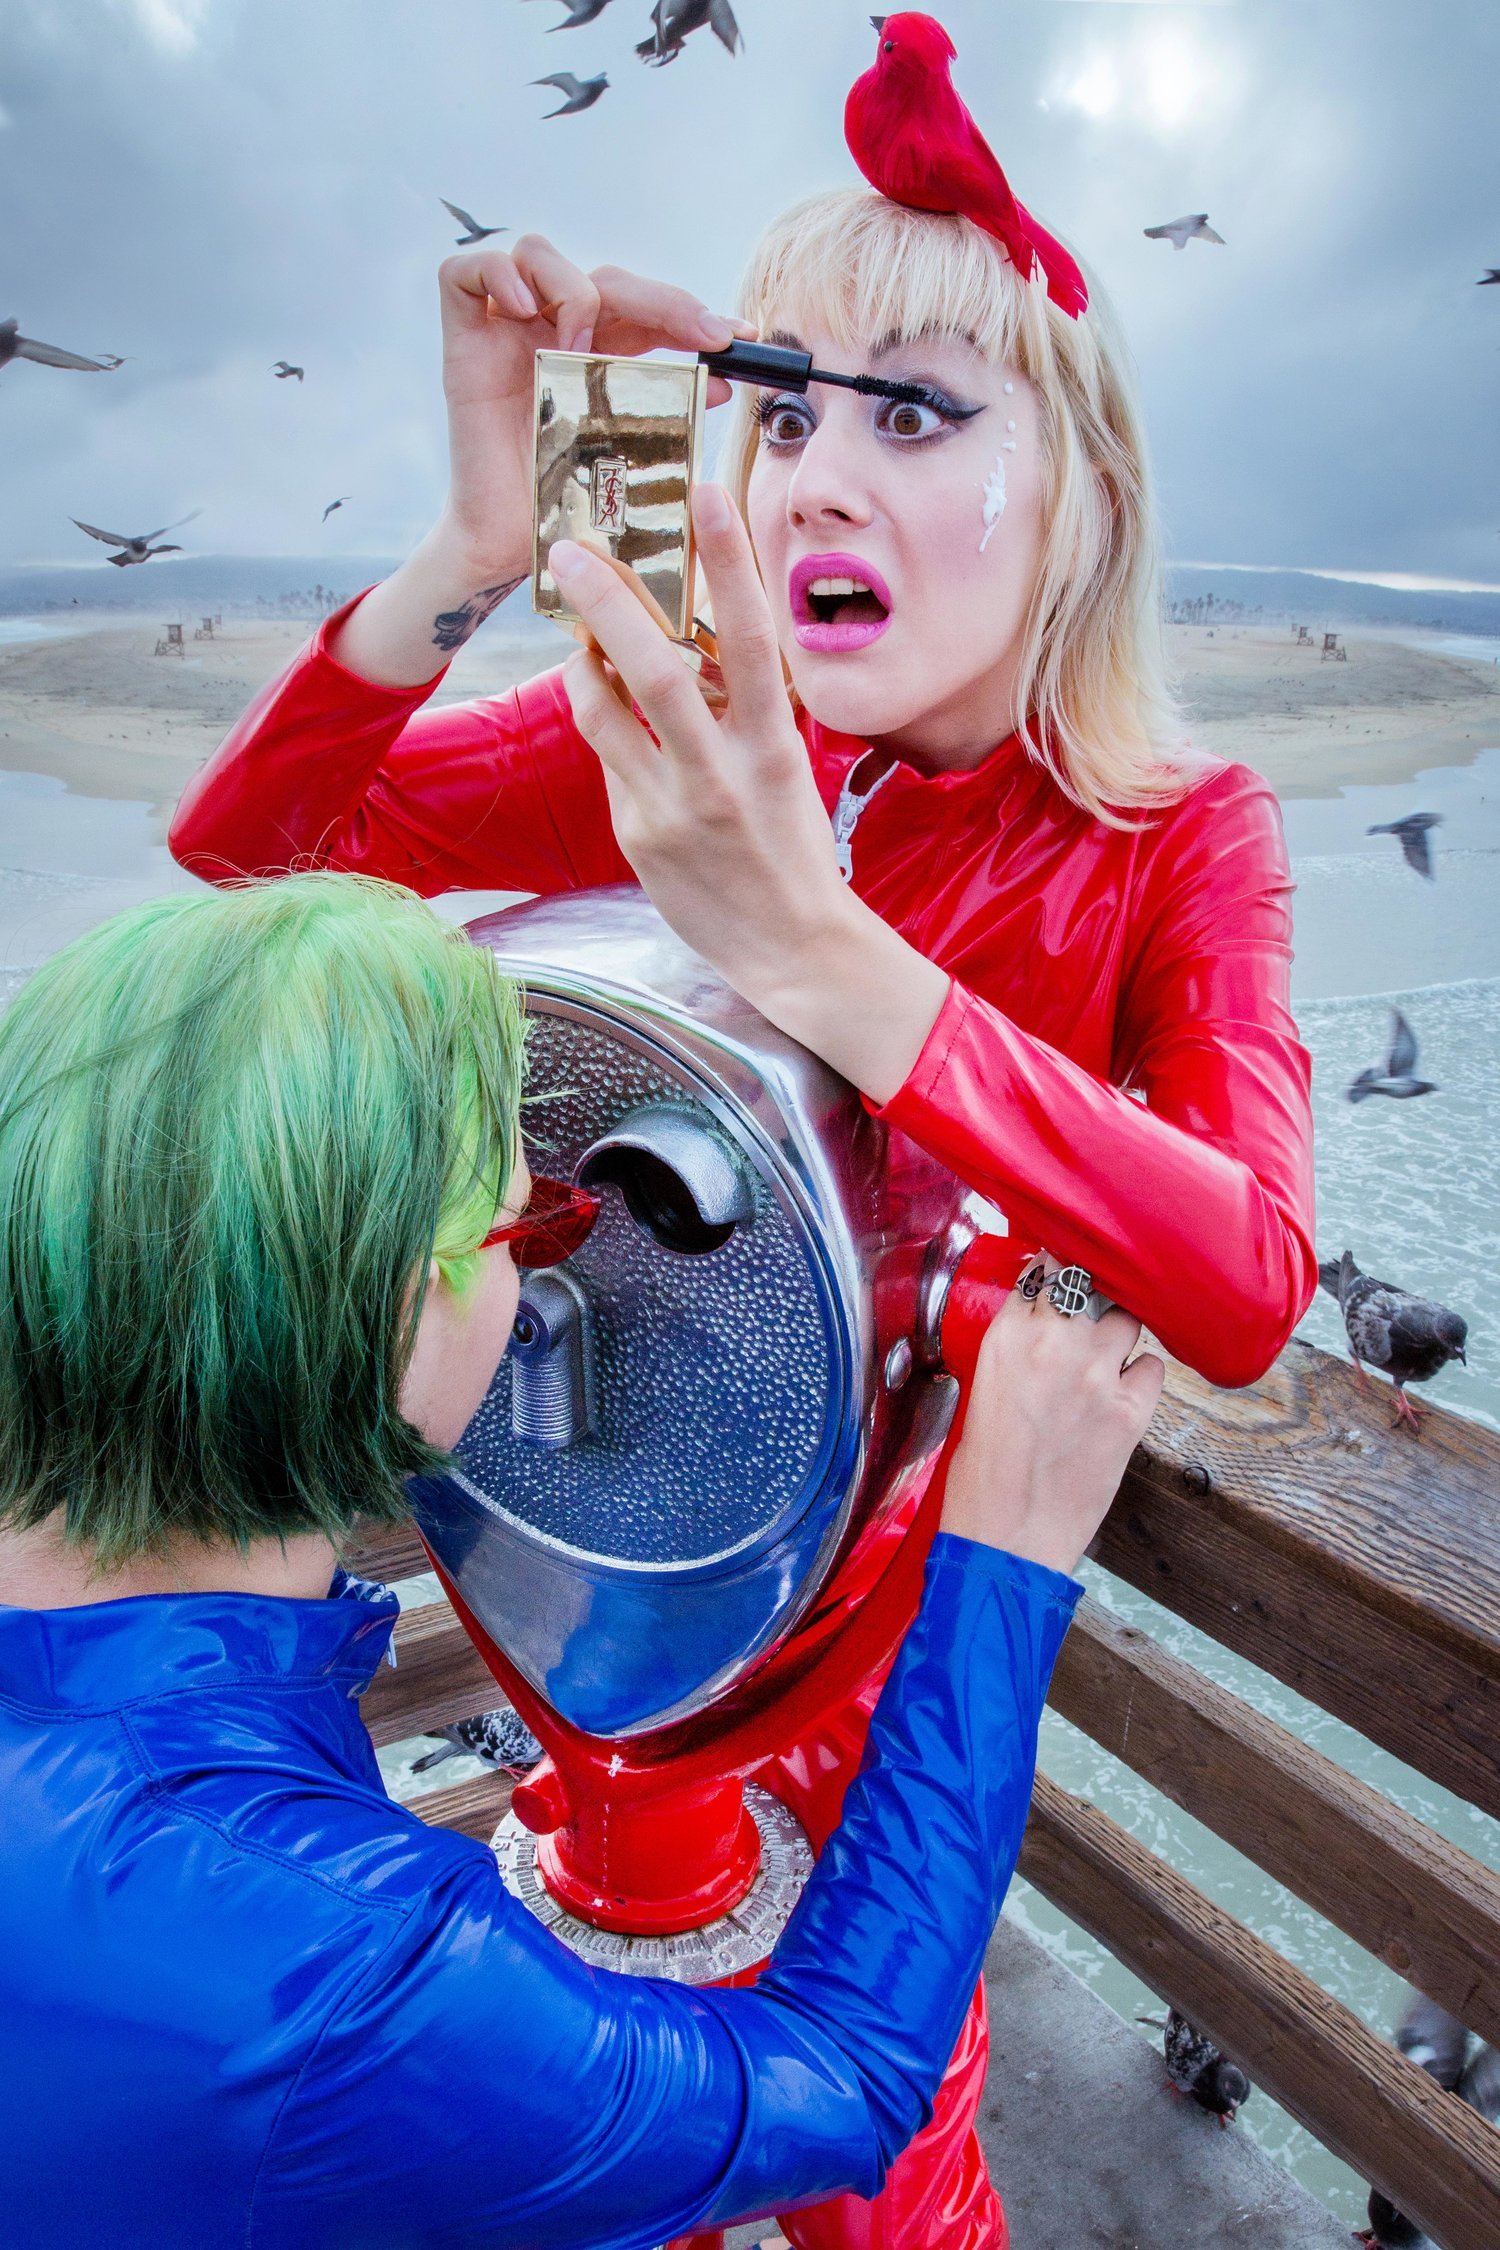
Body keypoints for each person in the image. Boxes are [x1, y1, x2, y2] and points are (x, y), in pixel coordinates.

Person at [166, 186, 1316, 2249]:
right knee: (617, 2162)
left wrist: (817, 952)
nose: (817, 481)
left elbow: (1245, 1281)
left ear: (1082, 488)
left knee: (887, 2161)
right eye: (783, 415)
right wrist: (484, 547)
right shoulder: (676, 734)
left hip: (878, 1679)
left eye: (913, 415)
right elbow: (256, 855)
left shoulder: (1170, 839)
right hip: (600, 1585)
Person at [0, 873, 1163, 2250]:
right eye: (526, 1229)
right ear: (400, 1306)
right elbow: (839, 2084)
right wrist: (1003, 1549)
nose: (542, 1291)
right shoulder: (343, 1976)